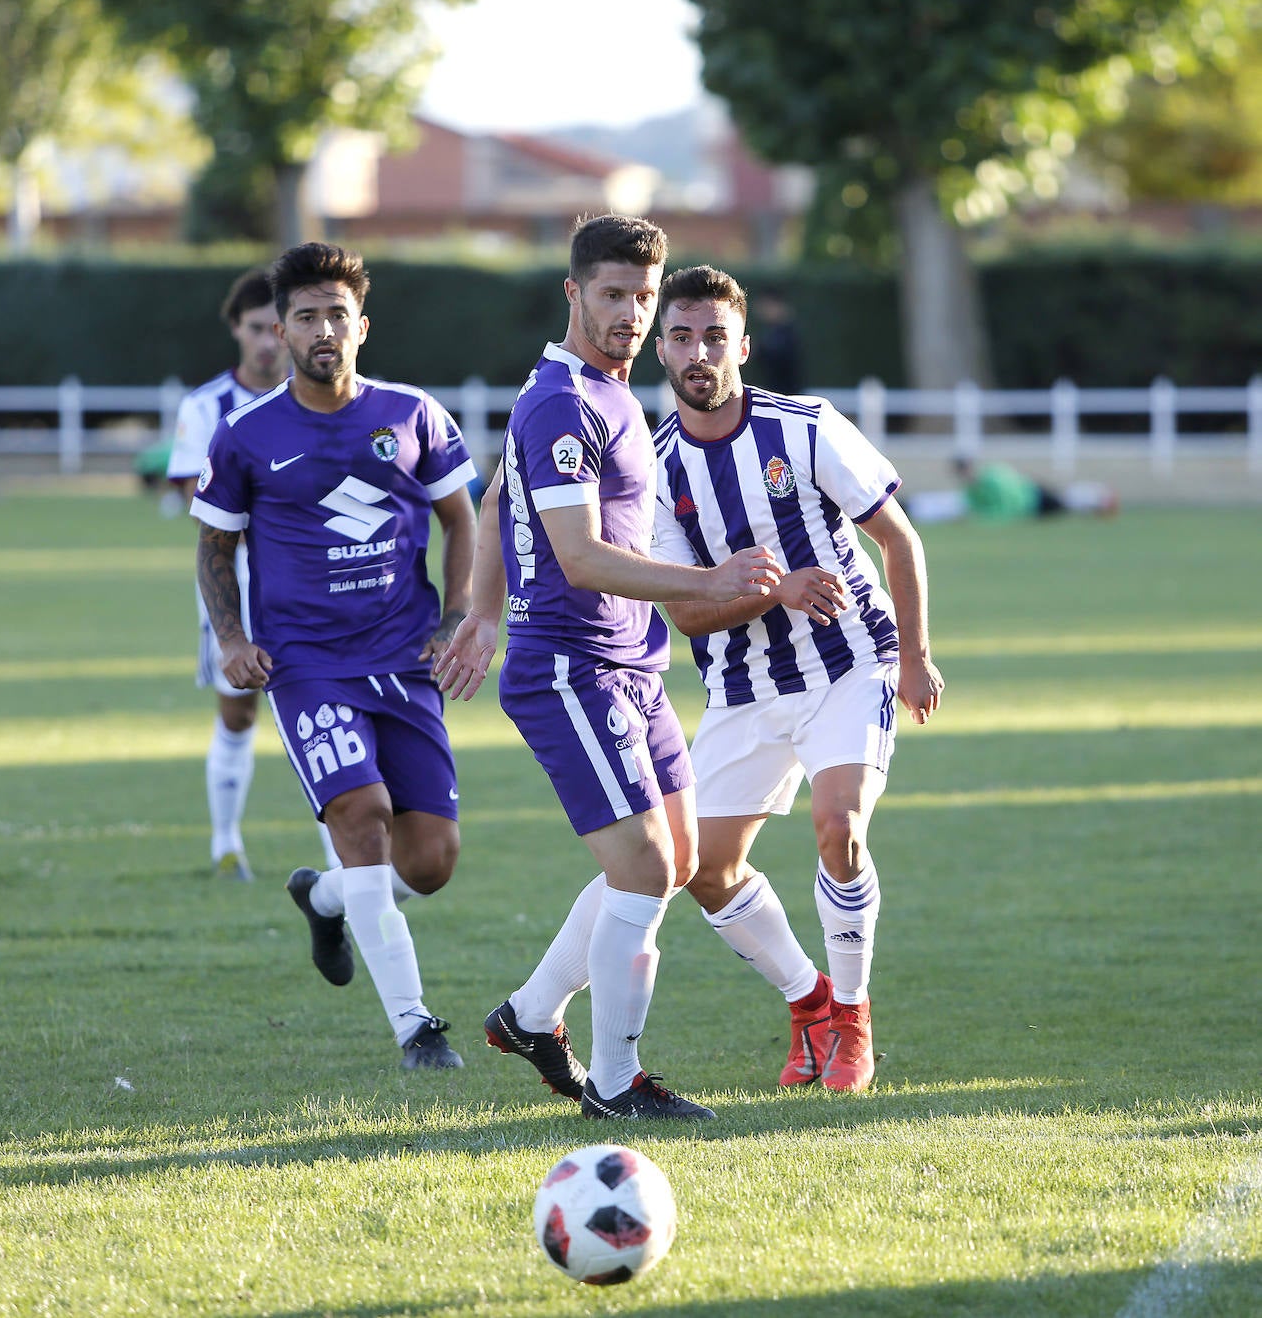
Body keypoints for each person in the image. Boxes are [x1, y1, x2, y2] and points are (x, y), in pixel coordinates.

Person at [435, 216, 783, 1120]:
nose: (631, 314)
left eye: (643, 296)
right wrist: (710, 579)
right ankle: (619, 1087)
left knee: (672, 865)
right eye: (612, 295)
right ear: (574, 295)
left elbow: (497, 490)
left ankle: (528, 1016)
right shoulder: (563, 401)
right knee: (642, 865)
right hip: (568, 665)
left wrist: (477, 611)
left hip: (633, 666)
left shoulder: (609, 392)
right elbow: (581, 557)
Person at [650, 264, 944, 1092]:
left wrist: (915, 657)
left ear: (742, 344)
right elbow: (688, 615)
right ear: (660, 350)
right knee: (700, 871)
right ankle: (807, 998)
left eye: (714, 336)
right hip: (744, 688)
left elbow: (898, 540)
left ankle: (851, 1018)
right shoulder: (655, 467)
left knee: (837, 827)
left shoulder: (806, 427)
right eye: (681, 337)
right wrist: (772, 589)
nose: (698, 352)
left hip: (851, 660)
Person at [190, 241, 478, 1071]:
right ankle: (418, 1029)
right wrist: (233, 640)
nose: (324, 329)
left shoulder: (412, 414)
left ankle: (321, 898)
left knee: (429, 864)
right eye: (307, 316)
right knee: (360, 819)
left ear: (362, 325)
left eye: (337, 315)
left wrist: (456, 616)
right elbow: (215, 545)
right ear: (280, 330)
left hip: (404, 654)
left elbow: (463, 519)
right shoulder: (246, 436)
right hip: (306, 663)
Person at [166, 267, 339, 881]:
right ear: (236, 330)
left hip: (312, 580)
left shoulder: (320, 399)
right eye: (255, 328)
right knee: (237, 710)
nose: (268, 341)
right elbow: (199, 500)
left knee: (324, 708)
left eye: (276, 326)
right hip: (232, 578)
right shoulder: (205, 406)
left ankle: (338, 857)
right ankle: (226, 844)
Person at [951, 456, 1118, 522]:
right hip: (1030, 502)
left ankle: (1100, 499)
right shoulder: (972, 490)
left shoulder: (992, 477)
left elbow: (1005, 504)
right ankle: (1098, 500)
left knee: (1065, 501)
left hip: (1032, 498)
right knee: (1065, 503)